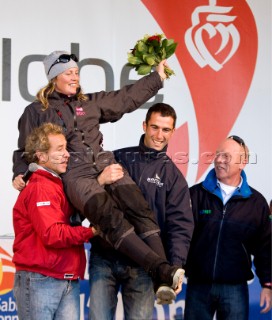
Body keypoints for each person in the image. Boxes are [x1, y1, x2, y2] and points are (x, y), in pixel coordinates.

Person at [12, 50, 184, 301]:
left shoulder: (89, 102)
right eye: (68, 73)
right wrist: (19, 172)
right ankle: (160, 269)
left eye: (76, 72)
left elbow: (125, 98)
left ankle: (163, 277)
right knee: (110, 218)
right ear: (54, 77)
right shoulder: (36, 111)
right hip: (76, 174)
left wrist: (156, 78)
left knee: (139, 208)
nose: (74, 77)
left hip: (105, 162)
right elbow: (24, 149)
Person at [88, 103, 194, 319]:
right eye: (154, 127)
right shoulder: (117, 158)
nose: (159, 135)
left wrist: (172, 269)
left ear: (173, 132)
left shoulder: (174, 177)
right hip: (105, 257)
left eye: (166, 130)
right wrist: (99, 180)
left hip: (144, 264)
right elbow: (87, 193)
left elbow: (180, 226)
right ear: (144, 125)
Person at [12, 122, 96, 320]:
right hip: (41, 280)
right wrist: (91, 232)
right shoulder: (40, 187)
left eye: (66, 148)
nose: (67, 154)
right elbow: (53, 234)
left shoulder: (57, 184)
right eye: (60, 149)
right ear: (41, 156)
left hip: (65, 278)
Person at [184, 135, 272, 320]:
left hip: (235, 288)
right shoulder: (195, 195)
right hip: (198, 285)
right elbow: (181, 237)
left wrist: (267, 284)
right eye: (217, 155)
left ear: (243, 162)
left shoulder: (257, 203)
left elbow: (265, 247)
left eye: (226, 156)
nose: (219, 160)